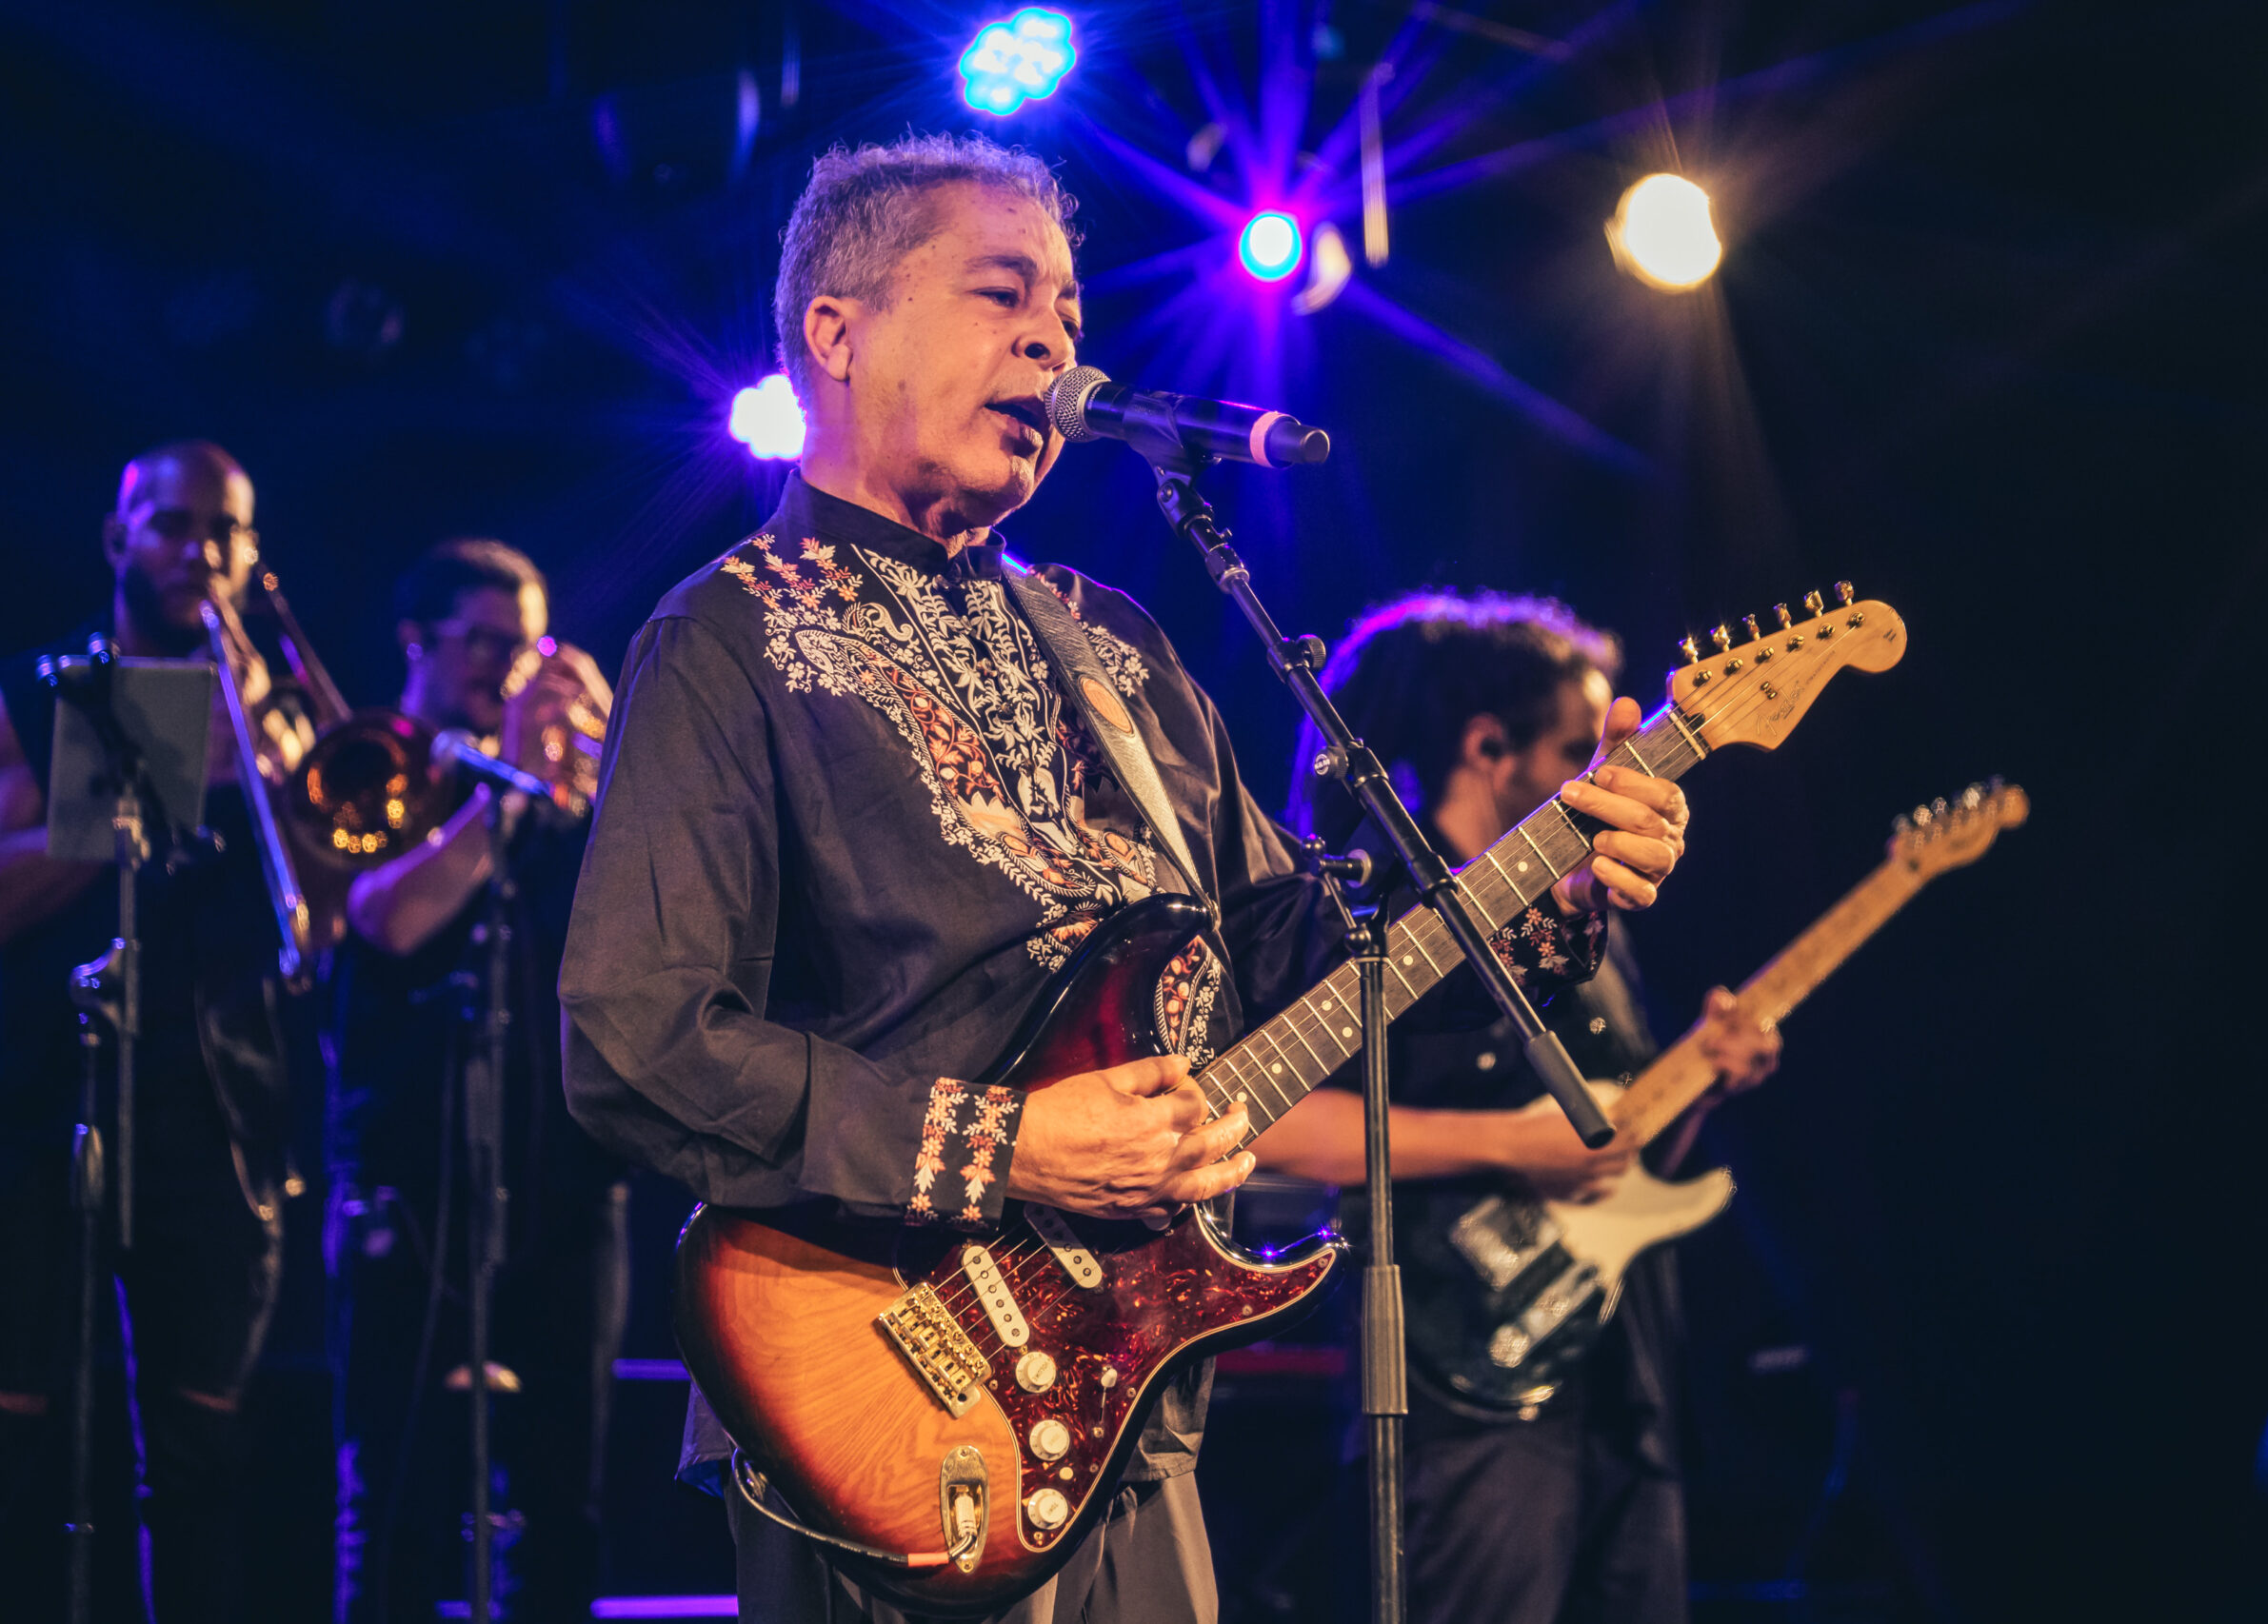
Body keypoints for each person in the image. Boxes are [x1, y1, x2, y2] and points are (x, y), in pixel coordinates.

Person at [557, 132, 1696, 1624]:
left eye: (1070, 313)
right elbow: (634, 1037)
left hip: (1130, 1404)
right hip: (886, 1390)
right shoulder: (724, 639)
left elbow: (1301, 959)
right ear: (835, 332)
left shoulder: (1116, 646)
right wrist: (1007, 1143)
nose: (1053, 341)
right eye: (1002, 294)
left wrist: (1551, 883)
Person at [1257, 591, 1784, 1624]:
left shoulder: (1587, 915)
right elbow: (1266, 1117)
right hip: (1455, 1371)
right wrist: (1508, 1144)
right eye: (1578, 750)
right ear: (1488, 747)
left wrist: (1696, 1087)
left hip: (1618, 1363)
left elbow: (1611, 1155)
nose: (1605, 775)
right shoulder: (1363, 910)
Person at [0, 442, 295, 1624]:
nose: (201, 552)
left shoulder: (271, 717)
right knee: (31, 1439)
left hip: (218, 1118)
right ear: (119, 536)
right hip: (41, 1106)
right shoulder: (38, 692)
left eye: (226, 531)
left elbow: (332, 917)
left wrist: (266, 757)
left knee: (201, 1457)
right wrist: (160, 772)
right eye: (174, 524)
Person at [326, 538, 625, 1624]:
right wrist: (508, 783)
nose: (509, 669)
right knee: (398, 1499)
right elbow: (387, 920)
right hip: (411, 1181)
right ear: (418, 640)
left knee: (563, 1506)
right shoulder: (371, 764)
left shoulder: (561, 789)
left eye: (528, 649)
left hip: (566, 1178)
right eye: (486, 643)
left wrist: (617, 767)